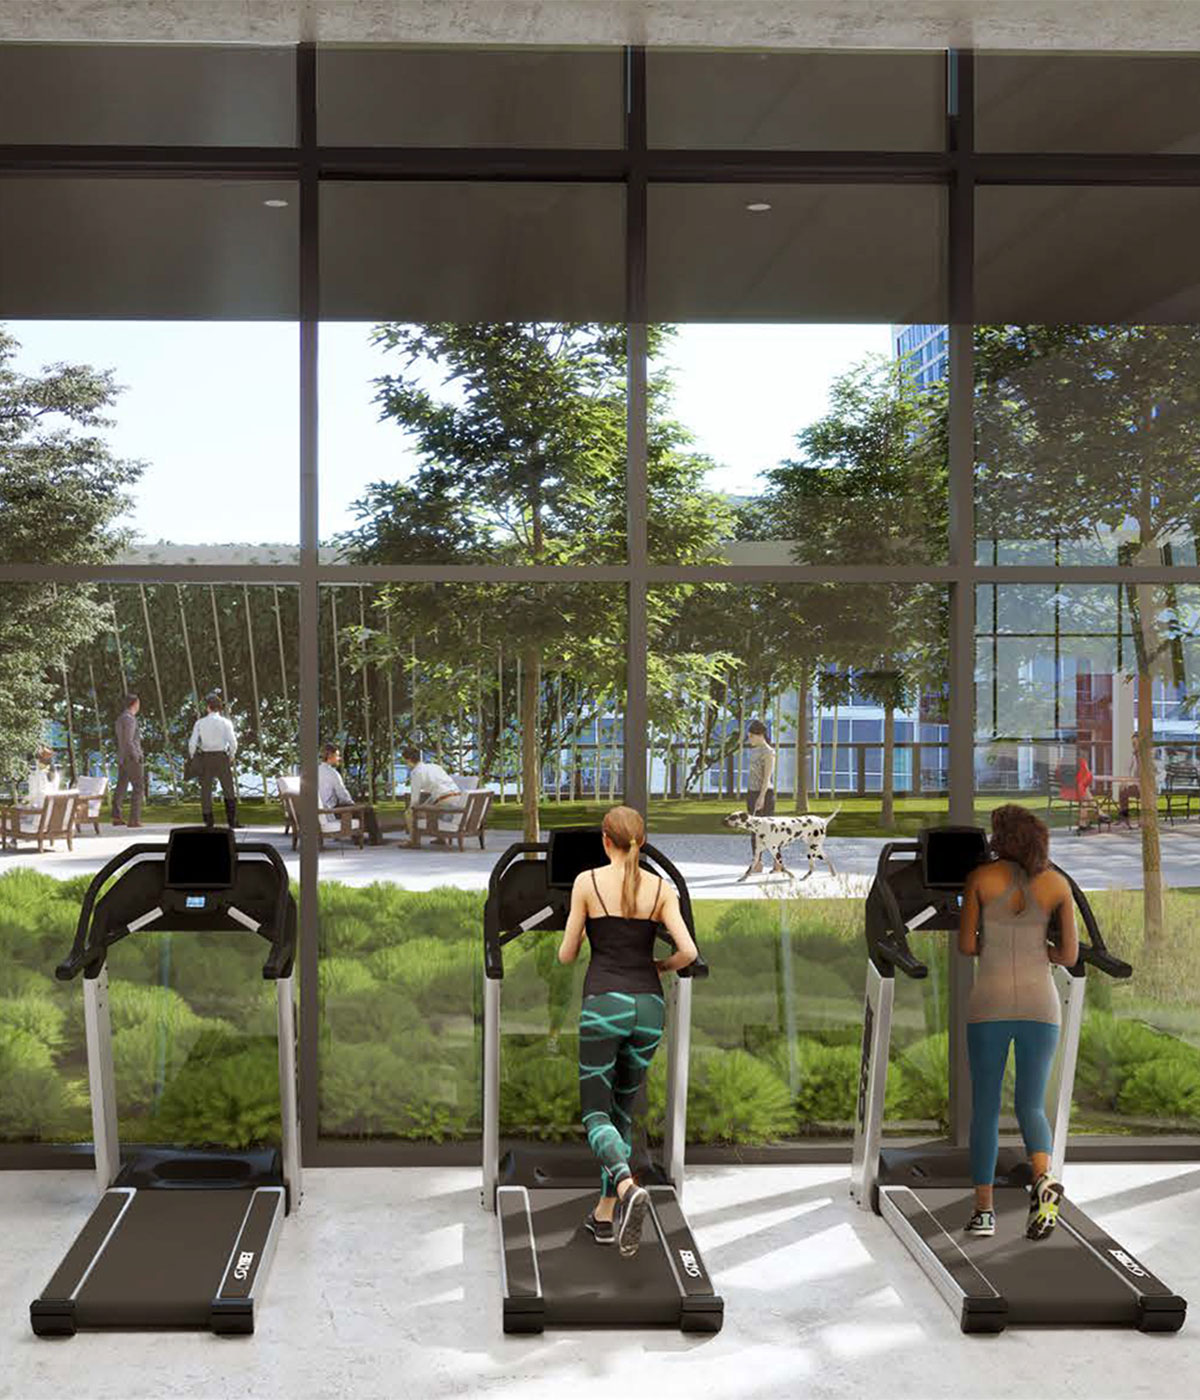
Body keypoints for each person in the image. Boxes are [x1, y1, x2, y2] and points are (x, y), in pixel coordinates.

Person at [558, 806, 699, 1258]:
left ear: (605, 839)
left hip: (605, 1006)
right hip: (648, 1009)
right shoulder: (661, 888)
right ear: (641, 840)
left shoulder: (587, 882)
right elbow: (689, 951)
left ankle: (625, 1185)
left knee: (595, 1115)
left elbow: (566, 954)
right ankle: (605, 1213)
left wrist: (581, 936)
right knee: (622, 1110)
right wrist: (659, 965)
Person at [958, 803, 1079, 1242]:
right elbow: (1068, 956)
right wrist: (1037, 952)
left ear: (1001, 838)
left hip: (989, 1003)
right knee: (1030, 1104)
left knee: (986, 1109)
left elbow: (968, 946)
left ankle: (984, 1212)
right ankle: (1044, 1181)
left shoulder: (980, 879)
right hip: (1039, 1004)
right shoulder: (1057, 884)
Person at [189, 691, 239, 830]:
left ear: (208, 707)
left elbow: (192, 743)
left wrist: (193, 756)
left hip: (206, 757)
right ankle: (232, 821)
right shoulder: (225, 722)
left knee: (206, 790)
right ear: (219, 708)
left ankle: (208, 821)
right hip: (221, 757)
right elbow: (233, 742)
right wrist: (231, 755)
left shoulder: (200, 723)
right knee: (229, 789)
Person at [318, 743, 382, 845]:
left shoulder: (316, 771)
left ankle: (357, 838)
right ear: (331, 756)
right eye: (337, 755)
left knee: (354, 808)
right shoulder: (332, 773)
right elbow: (342, 793)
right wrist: (352, 804)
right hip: (330, 811)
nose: (339, 758)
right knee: (367, 810)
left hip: (321, 810)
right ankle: (375, 840)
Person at [402, 744, 466, 846]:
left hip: (444, 800)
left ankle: (414, 841)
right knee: (430, 803)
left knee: (410, 813)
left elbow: (414, 799)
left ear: (408, 760)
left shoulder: (416, 772)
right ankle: (440, 838)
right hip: (457, 797)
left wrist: (411, 809)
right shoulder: (435, 766)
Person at [744, 718, 776, 872]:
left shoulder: (768, 752)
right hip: (752, 792)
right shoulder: (754, 750)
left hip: (764, 794)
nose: (749, 739)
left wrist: (761, 797)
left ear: (760, 734)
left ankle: (778, 863)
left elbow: (767, 777)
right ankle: (757, 863)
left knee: (768, 830)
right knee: (754, 830)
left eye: (751, 736)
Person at [112, 694, 143, 828]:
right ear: (134, 703)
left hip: (122, 757)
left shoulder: (120, 718)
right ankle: (134, 819)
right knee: (138, 787)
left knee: (121, 786)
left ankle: (116, 816)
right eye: (138, 703)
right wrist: (136, 755)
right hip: (131, 757)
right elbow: (129, 740)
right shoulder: (130, 719)